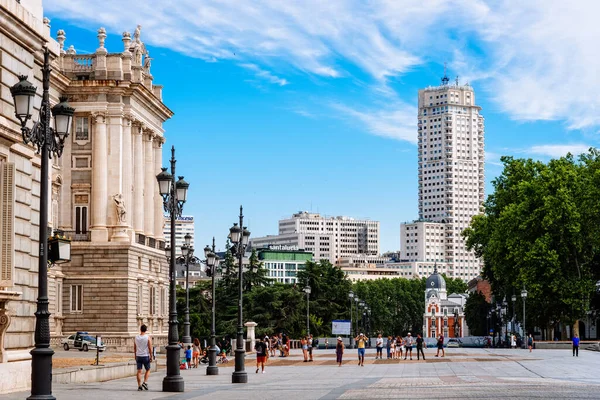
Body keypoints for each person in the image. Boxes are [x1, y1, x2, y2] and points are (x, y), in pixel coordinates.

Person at [134, 324, 153, 391]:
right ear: (146, 330)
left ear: (140, 329)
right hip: (145, 356)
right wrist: (151, 356)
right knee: (148, 370)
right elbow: (150, 347)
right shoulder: (147, 337)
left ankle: (139, 386)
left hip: (138, 355)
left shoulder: (136, 337)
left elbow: (135, 347)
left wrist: (135, 355)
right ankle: (145, 382)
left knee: (139, 371)